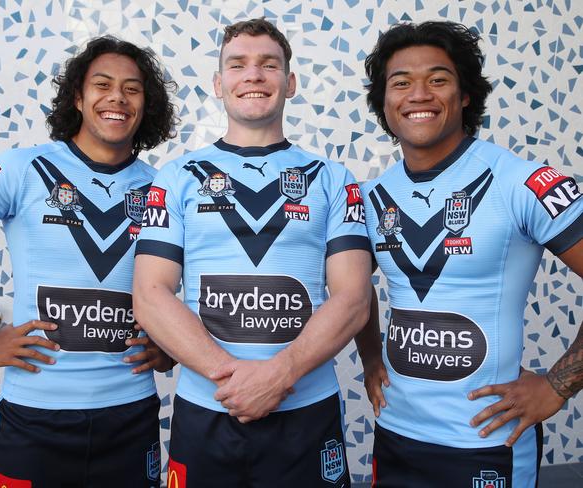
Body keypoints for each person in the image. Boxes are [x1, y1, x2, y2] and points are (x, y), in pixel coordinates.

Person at [133, 17, 372, 488]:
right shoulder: (177, 177)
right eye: (237, 65)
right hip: (209, 409)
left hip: (306, 412)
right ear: (219, 84)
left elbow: (354, 299)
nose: (254, 75)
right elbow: (151, 294)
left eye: (269, 64)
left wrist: (279, 375)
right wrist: (237, 380)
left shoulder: (333, 179)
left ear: (291, 82)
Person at [0, 36, 178, 488]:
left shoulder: (165, 190)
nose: (117, 98)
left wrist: (171, 347)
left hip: (129, 416)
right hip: (34, 418)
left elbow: (198, 279)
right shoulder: (21, 170)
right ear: (79, 98)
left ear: (147, 105)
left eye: (133, 88)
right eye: (102, 84)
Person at [355, 20, 582, 487]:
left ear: (463, 97)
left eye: (438, 79)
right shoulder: (371, 196)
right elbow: (352, 292)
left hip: (487, 443)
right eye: (401, 83)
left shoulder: (523, 183)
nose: (418, 94)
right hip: (395, 435)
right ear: (384, 103)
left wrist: (556, 387)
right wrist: (373, 358)